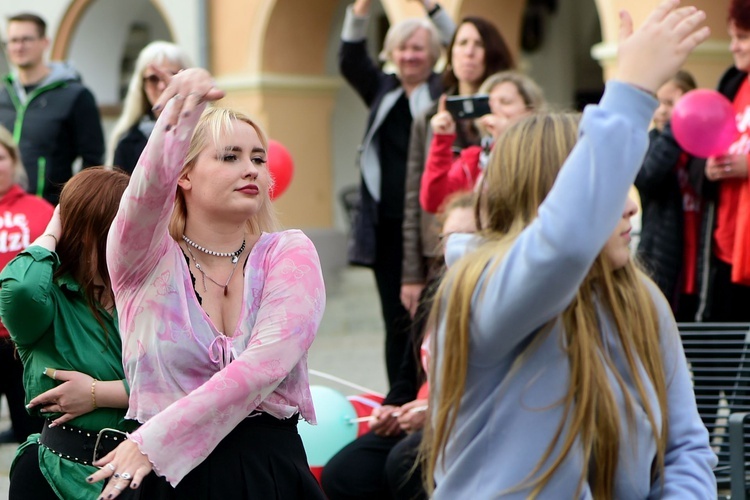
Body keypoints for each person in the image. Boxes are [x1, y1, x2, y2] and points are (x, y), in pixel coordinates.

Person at [423, 2, 717, 497]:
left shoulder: (639, 299)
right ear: (548, 204)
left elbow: (685, 447)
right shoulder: (480, 292)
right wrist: (630, 91)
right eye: (608, 188)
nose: (628, 206)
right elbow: (563, 246)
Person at [88, 68, 326, 499]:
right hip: (166, 480)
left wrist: (153, 441)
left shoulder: (289, 253)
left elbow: (264, 367)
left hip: (268, 473)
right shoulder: (143, 260)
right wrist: (178, 119)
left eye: (258, 158)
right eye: (230, 156)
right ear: (184, 174)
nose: (250, 169)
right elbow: (143, 197)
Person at [322, 192, 476, 500]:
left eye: (468, 238)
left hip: (459, 421)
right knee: (344, 473)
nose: (456, 247)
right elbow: (408, 372)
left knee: (403, 464)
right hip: (417, 418)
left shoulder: (491, 296)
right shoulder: (435, 290)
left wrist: (433, 414)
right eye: (449, 237)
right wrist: (391, 409)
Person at [0, 167, 137, 500]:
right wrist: (52, 231)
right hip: (54, 474)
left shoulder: (146, 298)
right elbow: (19, 289)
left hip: (136, 473)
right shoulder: (50, 301)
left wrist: (96, 392)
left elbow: (181, 386)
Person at [341, 0, 454, 387]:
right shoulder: (382, 91)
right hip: (386, 225)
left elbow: (464, 49)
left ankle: (430, 393)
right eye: (403, 49)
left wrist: (434, 9)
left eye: (418, 49)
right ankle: (400, 395)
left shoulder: (443, 91)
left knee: (432, 317)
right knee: (396, 318)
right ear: (391, 54)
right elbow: (351, 60)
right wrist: (360, 11)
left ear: (433, 55)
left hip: (432, 226)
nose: (409, 56)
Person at [401, 17, 514, 321]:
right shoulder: (429, 118)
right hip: (438, 247)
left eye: (478, 44)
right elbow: (414, 196)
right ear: (450, 53)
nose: (470, 52)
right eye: (462, 43)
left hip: (498, 241)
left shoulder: (508, 109)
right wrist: (411, 272)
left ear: (491, 53)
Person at [0, 12, 105, 204]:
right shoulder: (3, 95)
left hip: (51, 213)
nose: (19, 46)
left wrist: (75, 204)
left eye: (26, 39)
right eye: (13, 40)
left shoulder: (75, 95)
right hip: (5, 214)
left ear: (45, 42)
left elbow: (93, 161)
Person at [420, 71, 545, 213]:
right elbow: (434, 203)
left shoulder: (546, 152)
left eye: (505, 102)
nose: (494, 109)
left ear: (530, 112)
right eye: (489, 103)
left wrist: (508, 138)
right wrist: (442, 141)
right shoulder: (473, 159)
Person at [695, 0, 750, 322]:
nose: (734, 47)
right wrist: (708, 169)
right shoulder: (731, 85)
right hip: (728, 248)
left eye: (742, 37)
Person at [0, 126, 52, 445]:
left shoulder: (40, 210)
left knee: (31, 437)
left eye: (0, 157)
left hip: (25, 346)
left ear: (14, 161)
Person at [635, 70, 701, 320]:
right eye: (657, 102)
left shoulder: (703, 146)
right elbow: (648, 176)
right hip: (663, 259)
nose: (662, 111)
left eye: (670, 104)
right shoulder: (649, 143)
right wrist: (677, 125)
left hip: (699, 260)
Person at [109, 40, 193, 174]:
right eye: (153, 78)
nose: (162, 86)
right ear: (142, 85)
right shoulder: (127, 141)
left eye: (172, 76)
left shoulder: (205, 130)